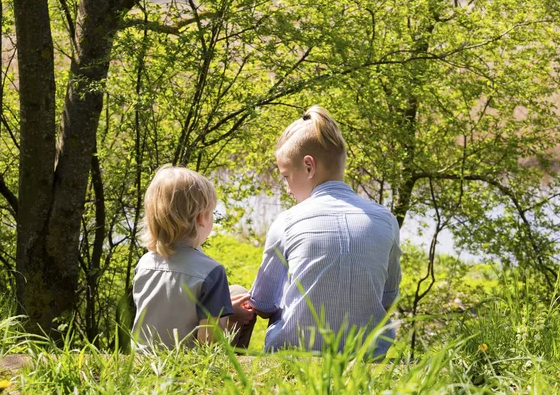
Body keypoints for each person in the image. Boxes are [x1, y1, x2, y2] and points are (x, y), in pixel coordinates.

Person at [249, 106, 402, 358]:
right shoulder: (386, 220)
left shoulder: (287, 221)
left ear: (308, 167)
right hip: (366, 357)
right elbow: (387, 299)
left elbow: (263, 306)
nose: (287, 188)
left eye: (286, 176)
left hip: (294, 355)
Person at [131, 166, 255, 351]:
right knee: (238, 292)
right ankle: (235, 374)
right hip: (187, 370)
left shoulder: (145, 263)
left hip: (143, 364)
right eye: (211, 212)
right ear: (201, 218)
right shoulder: (211, 272)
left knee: (233, 292)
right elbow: (210, 343)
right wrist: (228, 316)